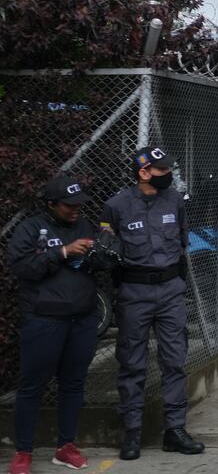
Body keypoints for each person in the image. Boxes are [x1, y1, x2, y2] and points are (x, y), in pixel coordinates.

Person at [7, 176, 117, 474]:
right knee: (32, 387)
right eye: (69, 206)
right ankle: (23, 452)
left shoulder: (83, 225)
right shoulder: (30, 228)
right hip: (44, 320)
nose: (75, 210)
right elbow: (21, 267)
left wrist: (101, 255)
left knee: (73, 384)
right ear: (51, 204)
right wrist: (63, 252)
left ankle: (66, 446)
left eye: (79, 204)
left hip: (82, 319)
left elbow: (97, 268)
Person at [103, 147, 204, 460]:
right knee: (132, 363)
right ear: (143, 172)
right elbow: (107, 251)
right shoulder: (116, 206)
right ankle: (132, 433)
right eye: (162, 170)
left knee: (174, 360)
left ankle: (175, 430)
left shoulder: (175, 200)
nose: (168, 175)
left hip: (171, 290)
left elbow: (182, 241)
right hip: (134, 292)